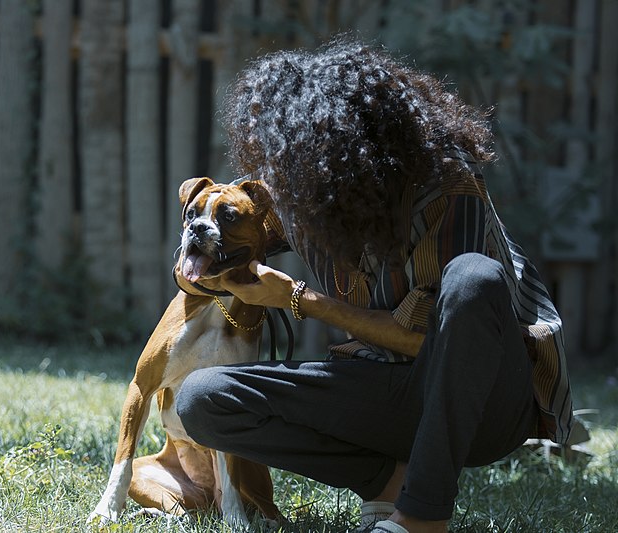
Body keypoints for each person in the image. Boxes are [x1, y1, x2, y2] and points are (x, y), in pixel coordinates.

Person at [174, 34, 574, 533]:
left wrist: (300, 300)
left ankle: (422, 517)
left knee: (474, 277)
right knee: (205, 399)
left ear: (351, 152)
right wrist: (196, 250)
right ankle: (388, 482)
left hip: (486, 403)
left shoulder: (446, 187)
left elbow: (436, 345)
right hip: (384, 393)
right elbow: (231, 235)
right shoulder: (307, 199)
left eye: (303, 162)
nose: (290, 181)